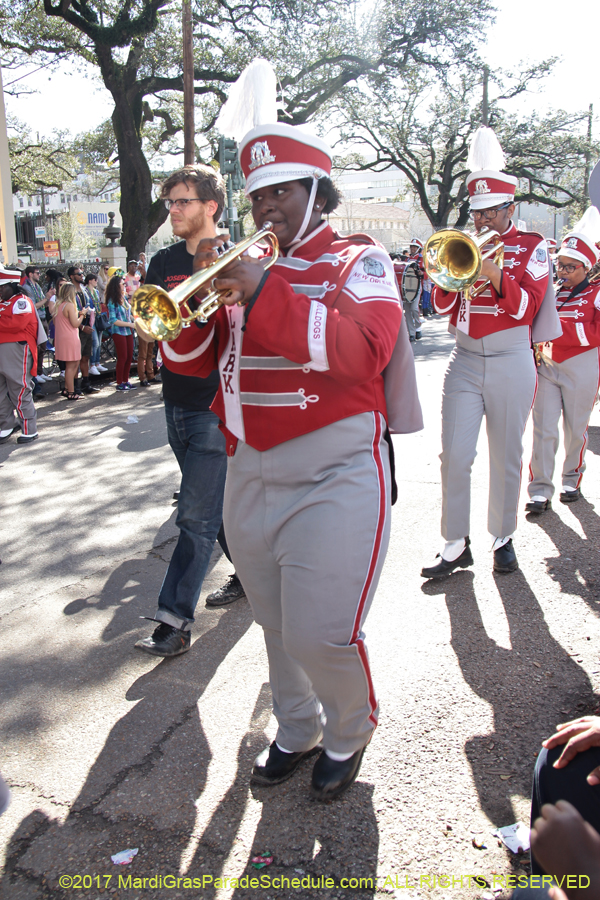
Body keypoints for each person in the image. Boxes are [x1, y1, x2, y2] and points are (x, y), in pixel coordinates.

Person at [186, 119, 420, 799]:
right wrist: (195, 312)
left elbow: (360, 353)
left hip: (336, 468)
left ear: (318, 190)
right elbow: (194, 363)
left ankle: (350, 727)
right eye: (257, 196)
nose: (267, 208)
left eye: (282, 191)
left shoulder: (360, 259)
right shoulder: (240, 267)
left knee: (322, 631)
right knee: (276, 622)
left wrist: (261, 289)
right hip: (248, 466)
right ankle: (297, 728)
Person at [421, 126, 549, 579]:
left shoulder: (532, 249)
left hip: (513, 358)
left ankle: (502, 537)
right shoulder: (466, 244)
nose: (482, 221)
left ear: (509, 207)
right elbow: (439, 307)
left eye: (491, 211)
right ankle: (456, 544)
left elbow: (523, 308)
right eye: (477, 212)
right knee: (454, 454)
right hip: (464, 358)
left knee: (506, 453)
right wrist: (443, 274)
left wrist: (493, 270)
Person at [134, 163, 246, 659]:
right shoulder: (162, 261)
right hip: (175, 400)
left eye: (182, 202)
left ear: (210, 207)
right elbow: (150, 324)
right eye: (170, 203)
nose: (173, 211)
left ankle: (174, 621)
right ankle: (253, 572)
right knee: (211, 507)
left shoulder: (239, 257)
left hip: (216, 405)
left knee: (194, 518)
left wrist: (208, 280)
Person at [526, 208, 600, 513]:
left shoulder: (596, 293)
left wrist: (556, 331)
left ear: (587, 267)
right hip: (549, 366)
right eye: (561, 266)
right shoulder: (554, 293)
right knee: (543, 428)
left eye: (570, 267)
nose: (564, 272)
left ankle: (572, 479)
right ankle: (540, 489)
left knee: (575, 429)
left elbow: (594, 334)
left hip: (582, 365)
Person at [0, 264, 40, 444]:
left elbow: (14, 325)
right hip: (5, 349)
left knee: (19, 388)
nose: (0, 291)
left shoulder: (22, 301)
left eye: (2, 287)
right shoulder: (4, 303)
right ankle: (7, 423)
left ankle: (29, 428)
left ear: (11, 285)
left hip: (17, 350)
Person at [68, 266, 100, 396]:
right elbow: (70, 314)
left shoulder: (84, 290)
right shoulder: (70, 291)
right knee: (76, 358)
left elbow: (88, 306)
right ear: (71, 276)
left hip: (88, 326)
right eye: (79, 274)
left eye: (82, 273)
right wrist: (82, 327)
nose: (82, 276)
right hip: (77, 328)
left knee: (86, 356)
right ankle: (75, 386)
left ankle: (86, 383)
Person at [52, 283, 85, 400]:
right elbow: (75, 323)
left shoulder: (58, 305)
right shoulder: (70, 305)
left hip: (62, 337)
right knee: (71, 365)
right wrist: (82, 315)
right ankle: (71, 392)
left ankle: (67, 389)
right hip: (70, 337)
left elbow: (56, 323)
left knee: (73, 364)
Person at [22, 266, 54, 387]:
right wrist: (46, 298)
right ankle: (35, 374)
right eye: (37, 273)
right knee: (38, 348)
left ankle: (39, 372)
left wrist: (48, 297)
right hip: (36, 319)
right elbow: (33, 306)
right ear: (30, 274)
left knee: (43, 347)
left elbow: (42, 302)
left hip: (43, 318)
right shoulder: (27, 288)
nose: (39, 275)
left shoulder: (37, 286)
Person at [106, 274, 137, 391]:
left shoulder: (123, 298)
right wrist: (130, 324)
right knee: (122, 357)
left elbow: (127, 314)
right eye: (122, 283)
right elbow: (113, 320)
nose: (124, 285)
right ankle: (119, 382)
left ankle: (126, 380)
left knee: (129, 356)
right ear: (116, 285)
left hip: (128, 331)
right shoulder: (111, 300)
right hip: (119, 331)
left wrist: (135, 320)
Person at [84, 273, 108, 376]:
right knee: (95, 342)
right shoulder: (85, 291)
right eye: (95, 280)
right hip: (91, 318)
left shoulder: (96, 291)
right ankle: (92, 365)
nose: (96, 281)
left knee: (99, 342)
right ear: (89, 280)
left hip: (98, 317)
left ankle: (97, 363)